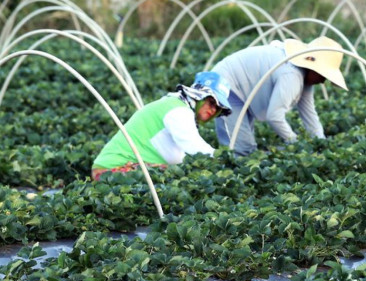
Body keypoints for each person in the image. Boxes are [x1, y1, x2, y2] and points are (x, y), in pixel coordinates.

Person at [211, 36, 348, 156]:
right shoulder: (291, 75)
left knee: (244, 148)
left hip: (242, 87)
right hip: (226, 84)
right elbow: (274, 116)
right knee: (240, 149)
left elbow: (309, 114)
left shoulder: (305, 77)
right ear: (312, 68)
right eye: (323, 75)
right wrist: (295, 142)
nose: (323, 81)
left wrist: (321, 144)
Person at [91, 71, 232, 180]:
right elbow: (195, 148)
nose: (213, 109)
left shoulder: (177, 106)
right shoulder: (178, 110)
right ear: (199, 97)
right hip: (112, 170)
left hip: (116, 168)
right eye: (211, 102)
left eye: (218, 108)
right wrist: (225, 160)